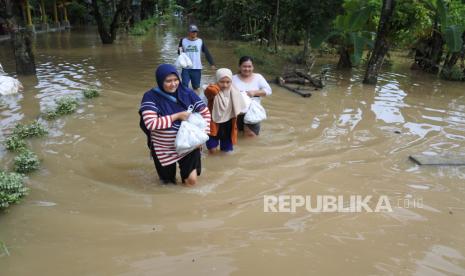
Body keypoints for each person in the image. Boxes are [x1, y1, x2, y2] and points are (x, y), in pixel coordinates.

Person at [139, 64, 211, 186]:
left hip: (189, 143)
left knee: (191, 181)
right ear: (160, 80)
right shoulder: (150, 97)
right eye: (168, 81)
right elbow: (151, 124)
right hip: (163, 148)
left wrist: (203, 136)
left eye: (176, 79)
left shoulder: (188, 93)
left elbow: (205, 113)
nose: (173, 84)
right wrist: (176, 116)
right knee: (168, 184)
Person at [204, 68, 248, 153]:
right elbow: (208, 92)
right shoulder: (213, 91)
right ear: (217, 80)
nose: (225, 85)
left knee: (226, 152)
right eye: (222, 82)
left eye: (228, 82)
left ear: (231, 81)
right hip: (213, 123)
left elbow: (240, 108)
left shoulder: (234, 91)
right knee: (212, 150)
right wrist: (213, 87)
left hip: (229, 125)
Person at [232, 56, 272, 137]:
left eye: (249, 66)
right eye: (244, 66)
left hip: (253, 112)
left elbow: (268, 91)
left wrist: (254, 92)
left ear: (253, 67)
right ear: (239, 67)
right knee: (237, 135)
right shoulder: (233, 78)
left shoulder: (258, 77)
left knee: (251, 136)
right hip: (237, 113)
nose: (247, 69)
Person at [178, 24, 216, 94]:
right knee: (184, 86)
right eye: (193, 32)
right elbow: (179, 53)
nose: (194, 33)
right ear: (189, 32)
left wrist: (212, 64)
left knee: (196, 87)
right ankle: (185, 102)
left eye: (196, 32)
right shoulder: (182, 41)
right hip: (186, 68)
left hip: (197, 68)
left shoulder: (200, 41)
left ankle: (196, 101)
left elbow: (207, 53)